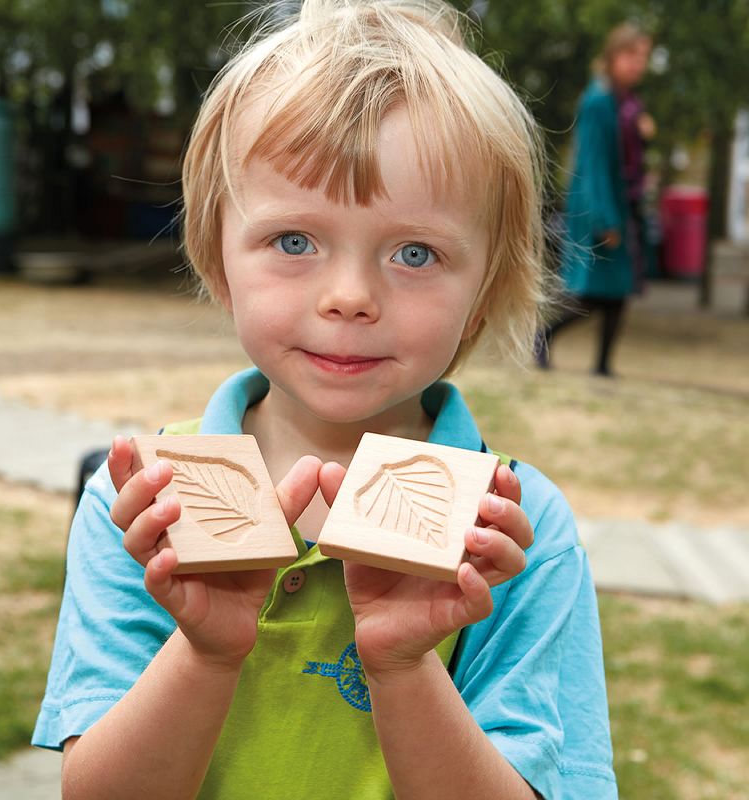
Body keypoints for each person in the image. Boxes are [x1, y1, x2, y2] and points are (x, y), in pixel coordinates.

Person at [32, 1, 617, 798]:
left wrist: (405, 666)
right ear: (217, 261)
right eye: (294, 241)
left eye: (416, 253)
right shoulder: (146, 505)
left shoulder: (512, 532)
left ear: (483, 295)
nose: (350, 296)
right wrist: (206, 653)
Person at [538, 23, 654, 377]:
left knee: (617, 291)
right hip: (600, 209)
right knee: (590, 293)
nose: (638, 63)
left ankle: (602, 364)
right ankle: (542, 337)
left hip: (621, 208)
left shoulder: (624, 102)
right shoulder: (598, 101)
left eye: (643, 57)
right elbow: (593, 166)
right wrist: (605, 218)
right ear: (613, 55)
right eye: (631, 55)